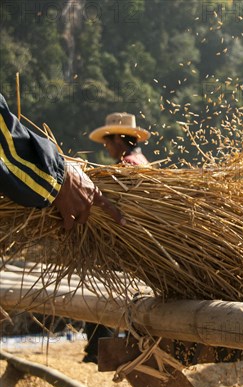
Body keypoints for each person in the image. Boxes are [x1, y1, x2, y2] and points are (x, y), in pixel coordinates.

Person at [82, 112, 151, 364]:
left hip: (127, 242)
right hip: (136, 242)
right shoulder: (142, 161)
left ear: (120, 141)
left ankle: (96, 348)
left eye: (108, 142)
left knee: (94, 283)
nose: (106, 146)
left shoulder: (128, 167)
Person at [0, 93, 124, 230]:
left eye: (107, 141)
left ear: (118, 139)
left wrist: (57, 177)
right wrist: (58, 178)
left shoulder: (128, 162)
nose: (105, 146)